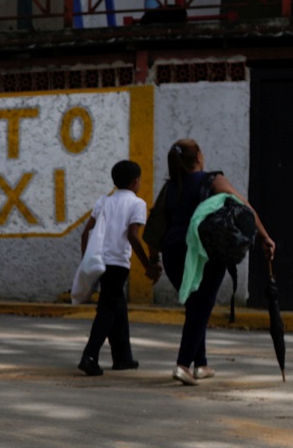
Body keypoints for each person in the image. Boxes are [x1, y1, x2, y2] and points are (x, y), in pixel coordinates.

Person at [144, 139, 275, 386]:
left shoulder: (170, 188)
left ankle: (200, 364)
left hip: (173, 253)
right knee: (200, 307)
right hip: (204, 252)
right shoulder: (213, 180)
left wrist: (153, 261)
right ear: (199, 157)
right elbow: (244, 206)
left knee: (196, 306)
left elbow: (155, 225)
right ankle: (183, 365)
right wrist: (265, 236)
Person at [76, 160, 150, 376]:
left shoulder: (103, 201)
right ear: (136, 181)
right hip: (118, 263)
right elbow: (133, 237)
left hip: (99, 261)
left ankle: (122, 357)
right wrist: (148, 265)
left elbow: (85, 233)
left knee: (117, 306)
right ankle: (89, 355)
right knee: (107, 309)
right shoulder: (138, 204)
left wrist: (85, 261)